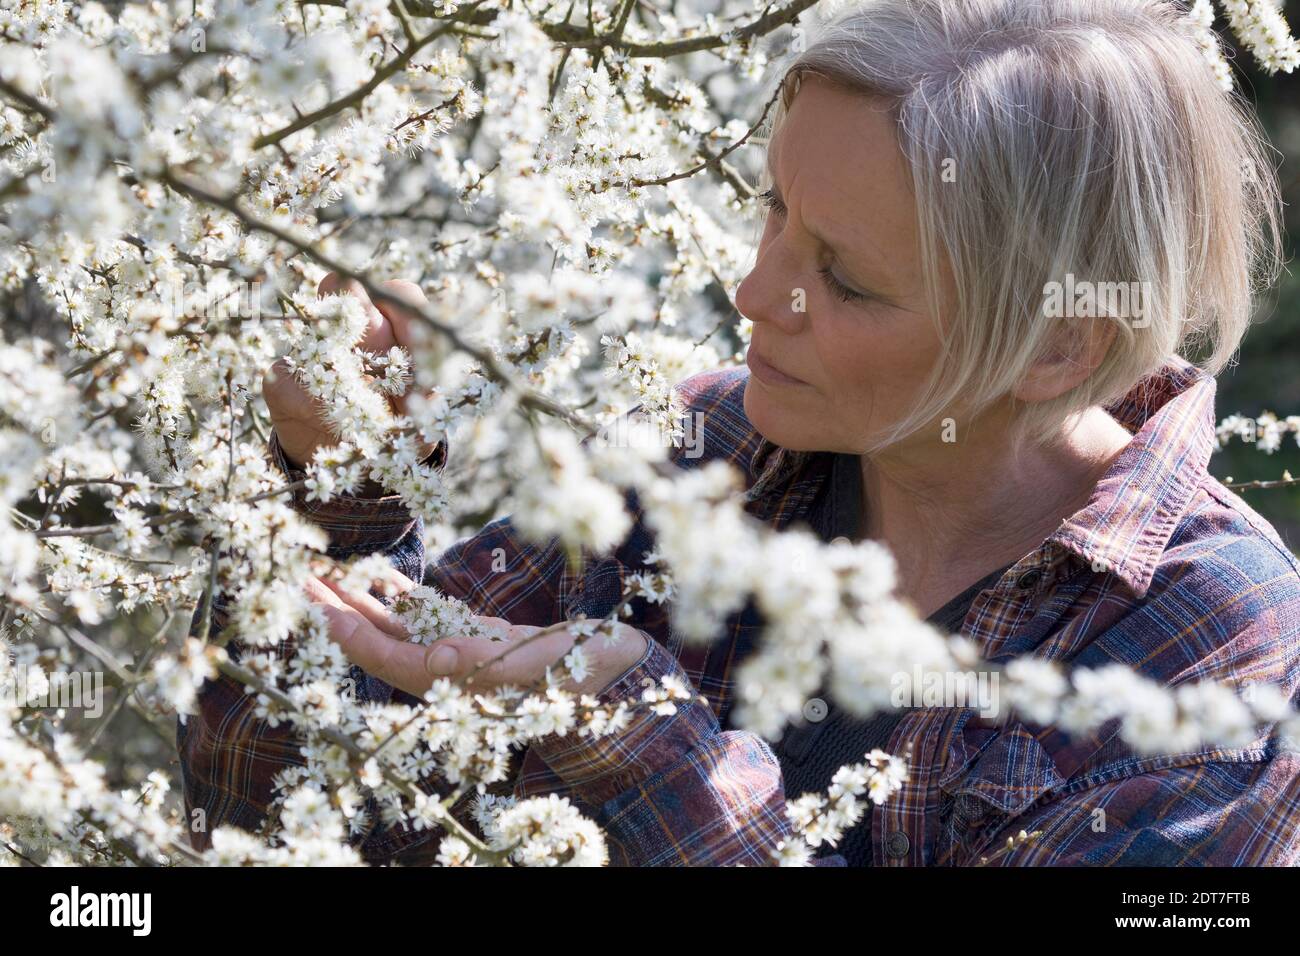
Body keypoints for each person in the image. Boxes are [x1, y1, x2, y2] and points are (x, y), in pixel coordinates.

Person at [179, 0, 1300, 865]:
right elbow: (283, 808)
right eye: (775, 210)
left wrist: (644, 745)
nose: (755, 289)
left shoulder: (1218, 661)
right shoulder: (702, 457)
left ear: (1059, 348)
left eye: (846, 280)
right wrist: (337, 476)